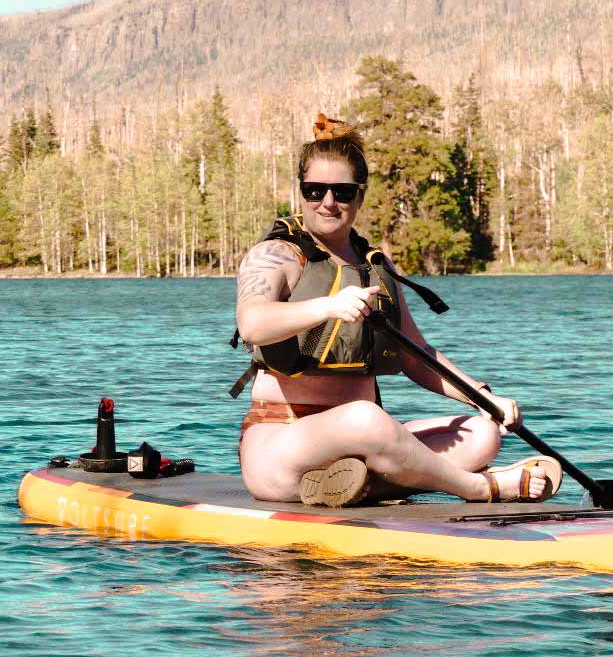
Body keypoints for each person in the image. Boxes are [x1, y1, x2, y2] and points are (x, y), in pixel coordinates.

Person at [233, 113, 562, 507]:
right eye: (315, 190)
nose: (328, 202)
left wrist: (482, 397)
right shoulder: (274, 255)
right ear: (301, 191)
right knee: (365, 419)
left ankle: (355, 486)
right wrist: (328, 306)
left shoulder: (375, 266)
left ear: (361, 195)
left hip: (364, 444)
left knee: (482, 433)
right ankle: (479, 488)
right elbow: (252, 324)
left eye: (343, 192)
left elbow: (416, 356)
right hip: (281, 444)